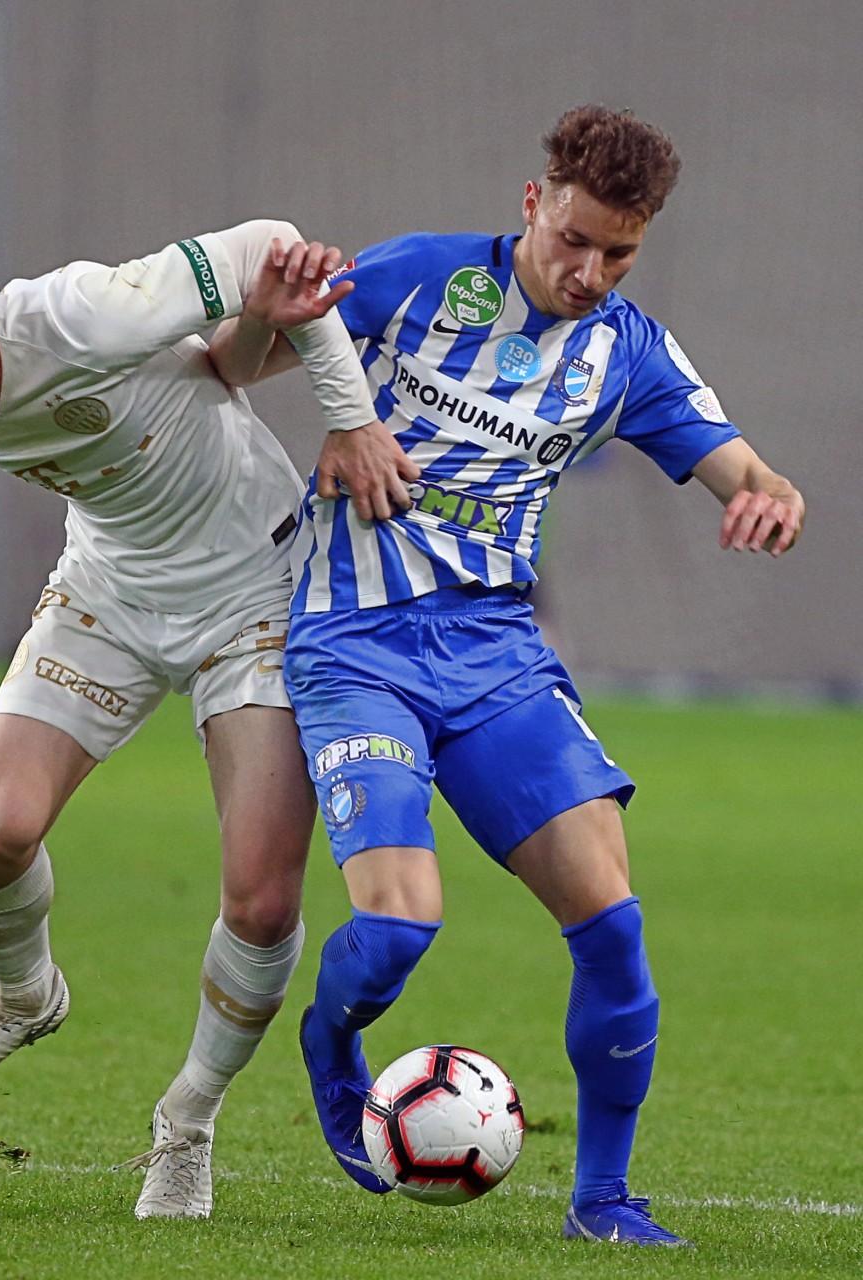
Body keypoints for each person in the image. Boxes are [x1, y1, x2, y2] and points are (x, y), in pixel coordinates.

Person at [206, 106, 805, 1246]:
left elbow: (742, 468)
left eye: (619, 253)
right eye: (574, 240)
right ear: (534, 203)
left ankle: (603, 1200)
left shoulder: (626, 351)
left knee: (613, 925)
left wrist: (768, 495)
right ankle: (332, 1037)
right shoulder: (417, 278)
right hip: (354, 645)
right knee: (398, 930)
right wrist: (294, 358)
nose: (590, 273)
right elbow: (231, 367)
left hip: (496, 657)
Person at [0, 220, 412, 1220]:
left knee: (264, 903)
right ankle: (24, 997)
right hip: (108, 597)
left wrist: (349, 419)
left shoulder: (85, 314)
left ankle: (186, 1124)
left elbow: (272, 250)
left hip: (259, 593)